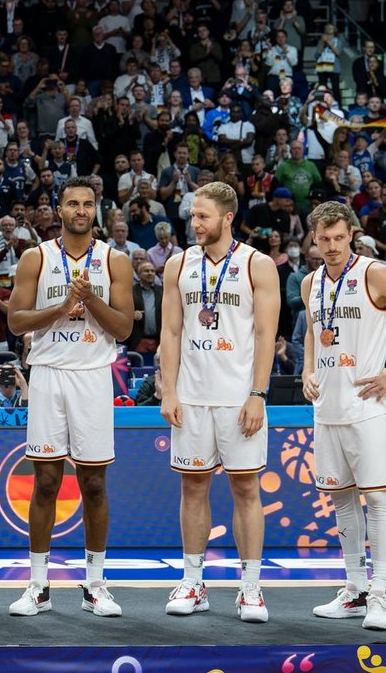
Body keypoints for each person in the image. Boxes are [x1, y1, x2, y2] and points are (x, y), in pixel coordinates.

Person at [301, 201, 386, 633]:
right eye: (323, 239)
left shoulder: (376, 273)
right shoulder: (310, 283)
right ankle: (355, 589)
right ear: (313, 239)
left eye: (338, 238)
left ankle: (380, 594)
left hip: (368, 408)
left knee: (379, 500)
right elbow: (312, 331)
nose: (330, 246)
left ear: (353, 235)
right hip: (327, 409)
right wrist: (308, 369)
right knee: (341, 498)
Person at [5, 177, 134, 618]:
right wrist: (63, 307)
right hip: (48, 375)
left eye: (88, 204)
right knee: (44, 483)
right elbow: (17, 322)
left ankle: (96, 584)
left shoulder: (114, 259)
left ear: (96, 210)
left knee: (94, 484)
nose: (81, 210)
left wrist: (89, 299)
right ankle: (37, 585)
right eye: (72, 203)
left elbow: (123, 329)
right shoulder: (34, 257)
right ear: (58, 210)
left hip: (93, 376)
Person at [158, 182, 280, 623]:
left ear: (228, 217)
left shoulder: (257, 264)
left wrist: (258, 394)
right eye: (193, 215)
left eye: (203, 216)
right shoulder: (177, 264)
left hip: (238, 397)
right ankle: (193, 581)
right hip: (191, 397)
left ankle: (251, 588)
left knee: (246, 489)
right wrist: (169, 390)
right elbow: (170, 332)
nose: (195, 223)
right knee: (193, 487)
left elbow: (267, 335)